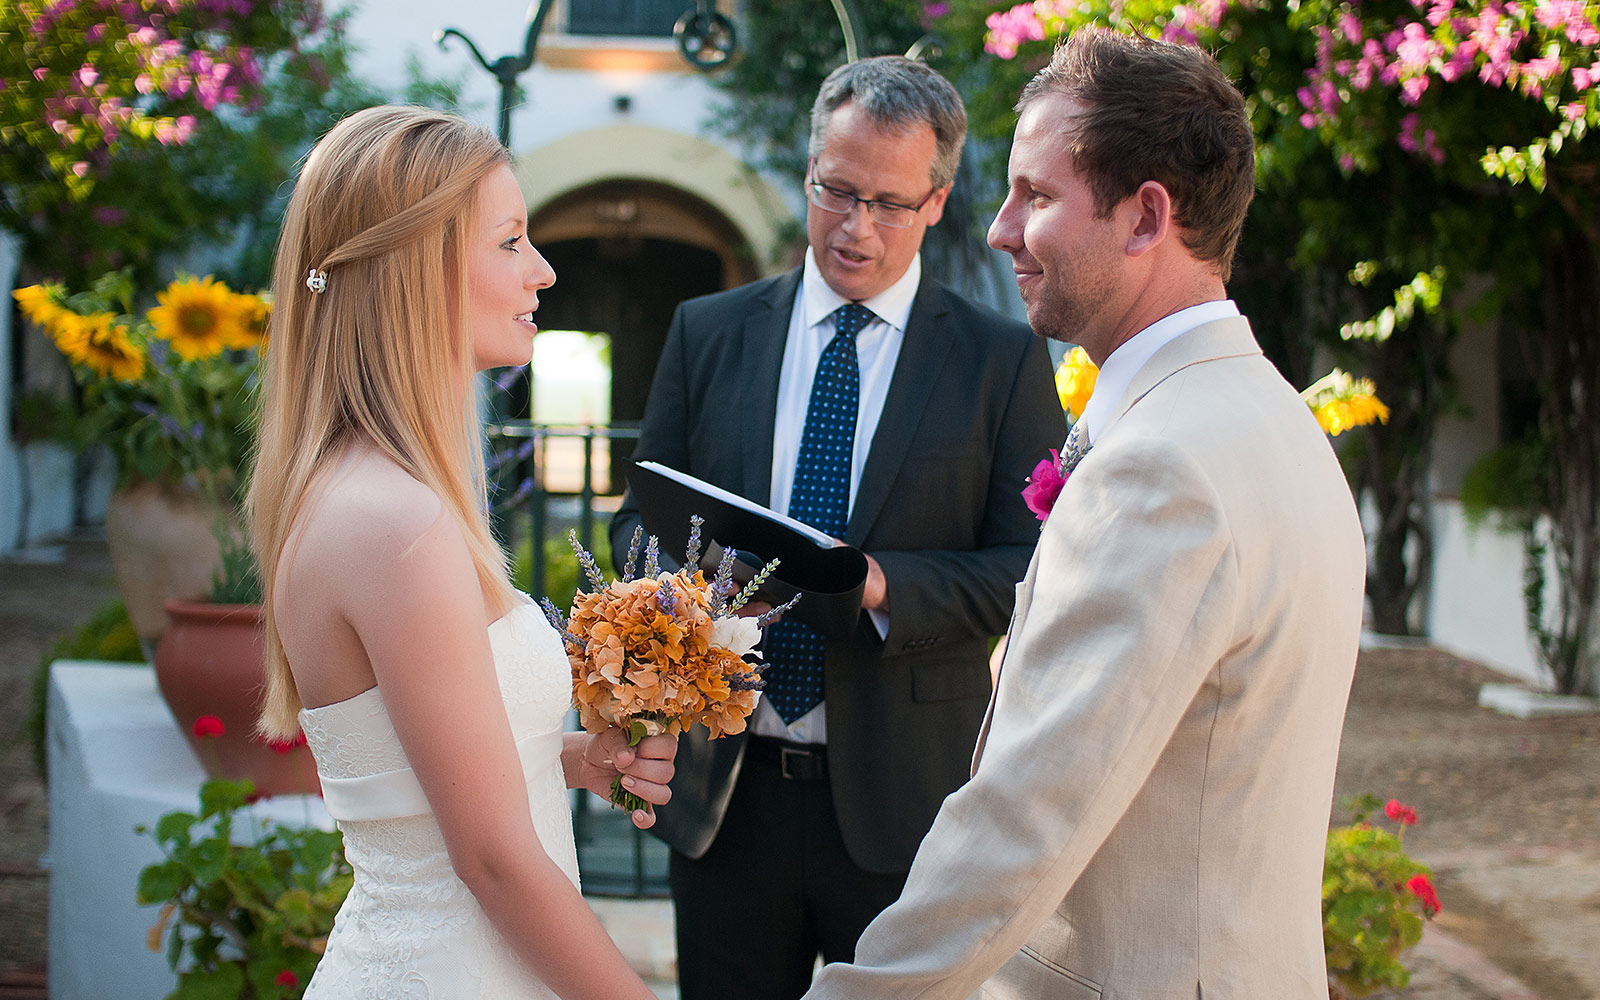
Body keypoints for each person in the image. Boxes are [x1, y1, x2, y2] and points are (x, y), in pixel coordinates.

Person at [803, 28, 1368, 1000]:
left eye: (1036, 195)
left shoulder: (1161, 465)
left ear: (1145, 216)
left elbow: (1029, 815)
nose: (999, 230)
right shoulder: (1269, 418)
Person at [610, 56, 1065, 1000]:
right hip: (725, 802)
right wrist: (684, 593)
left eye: (889, 204)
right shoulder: (707, 330)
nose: (855, 227)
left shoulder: (1002, 360)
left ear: (937, 202)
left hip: (905, 806)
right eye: (837, 191)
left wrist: (881, 586)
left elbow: (1031, 569)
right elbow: (636, 524)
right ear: (810, 169)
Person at [248, 105, 677, 1000]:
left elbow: (415, 785)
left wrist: (566, 760)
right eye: (510, 241)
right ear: (417, 267)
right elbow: (492, 862)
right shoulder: (396, 523)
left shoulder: (370, 494)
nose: (543, 270)